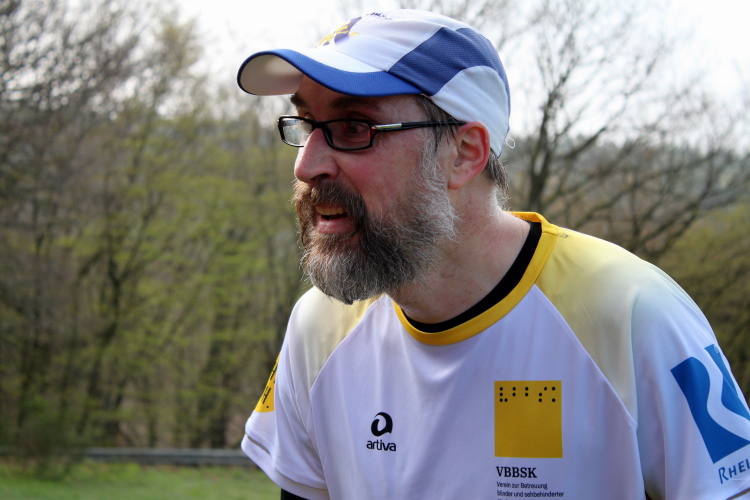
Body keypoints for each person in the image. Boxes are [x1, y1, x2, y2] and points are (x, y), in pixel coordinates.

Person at [237, 9, 750, 500]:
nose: (306, 166)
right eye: (306, 124)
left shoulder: (634, 313)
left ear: (464, 154)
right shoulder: (319, 328)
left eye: (354, 128)